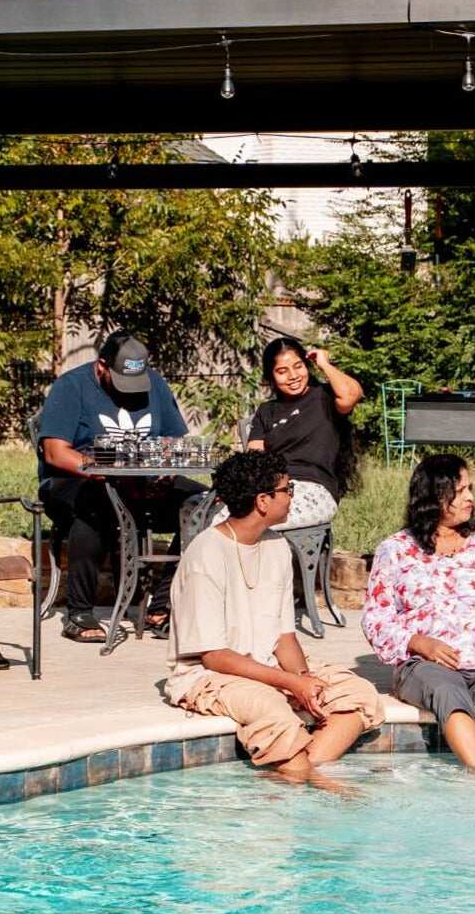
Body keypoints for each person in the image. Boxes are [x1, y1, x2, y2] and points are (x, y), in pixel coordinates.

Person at [163, 449, 383, 783]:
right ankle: (318, 785)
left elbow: (284, 635)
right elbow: (213, 655)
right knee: (272, 710)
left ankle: (294, 776)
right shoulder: (206, 554)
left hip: (269, 664)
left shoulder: (277, 546)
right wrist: (289, 683)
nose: (292, 496)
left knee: (357, 693)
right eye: (287, 489)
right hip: (206, 675)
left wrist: (303, 679)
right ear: (263, 501)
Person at [362, 452, 475, 779]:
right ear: (434, 497)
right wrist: (417, 642)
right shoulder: (395, 550)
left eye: (470, 489)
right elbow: (376, 619)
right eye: (460, 491)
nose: (471, 498)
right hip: (429, 667)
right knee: (447, 690)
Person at [36, 330, 202, 644]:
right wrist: (103, 470)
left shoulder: (156, 384)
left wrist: (164, 466)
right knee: (98, 503)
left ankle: (161, 606)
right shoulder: (71, 387)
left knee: (202, 504)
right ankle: (79, 612)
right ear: (101, 367)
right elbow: (56, 453)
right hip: (75, 481)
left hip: (141, 480)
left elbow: (174, 438)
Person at [243, 337, 361, 529]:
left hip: (314, 489)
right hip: (271, 490)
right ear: (271, 377)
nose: (293, 376)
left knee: (247, 524)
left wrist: (324, 364)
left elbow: (351, 395)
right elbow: (254, 458)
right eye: (282, 371)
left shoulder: (324, 396)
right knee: (206, 514)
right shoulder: (266, 411)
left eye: (298, 366)